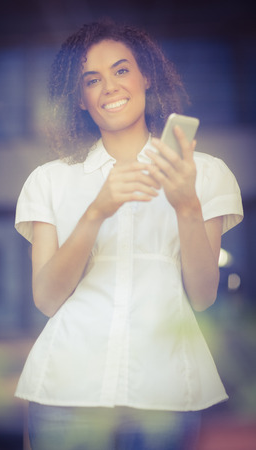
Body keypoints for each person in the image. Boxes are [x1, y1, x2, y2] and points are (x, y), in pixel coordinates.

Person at [15, 20, 243, 450]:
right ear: (80, 99)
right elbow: (46, 299)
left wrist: (186, 205)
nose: (109, 88)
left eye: (121, 70)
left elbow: (202, 296)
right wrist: (96, 212)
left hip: (165, 390)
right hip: (67, 389)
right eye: (92, 80)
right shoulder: (49, 181)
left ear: (146, 77)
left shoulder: (206, 173)